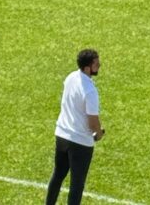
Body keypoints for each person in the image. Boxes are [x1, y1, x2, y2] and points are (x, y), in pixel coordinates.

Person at [45, 49, 105, 205]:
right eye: (96, 63)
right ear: (87, 68)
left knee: (57, 175)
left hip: (62, 135)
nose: (99, 65)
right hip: (80, 142)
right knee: (76, 185)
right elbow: (93, 122)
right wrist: (99, 133)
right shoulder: (90, 91)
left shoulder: (70, 77)